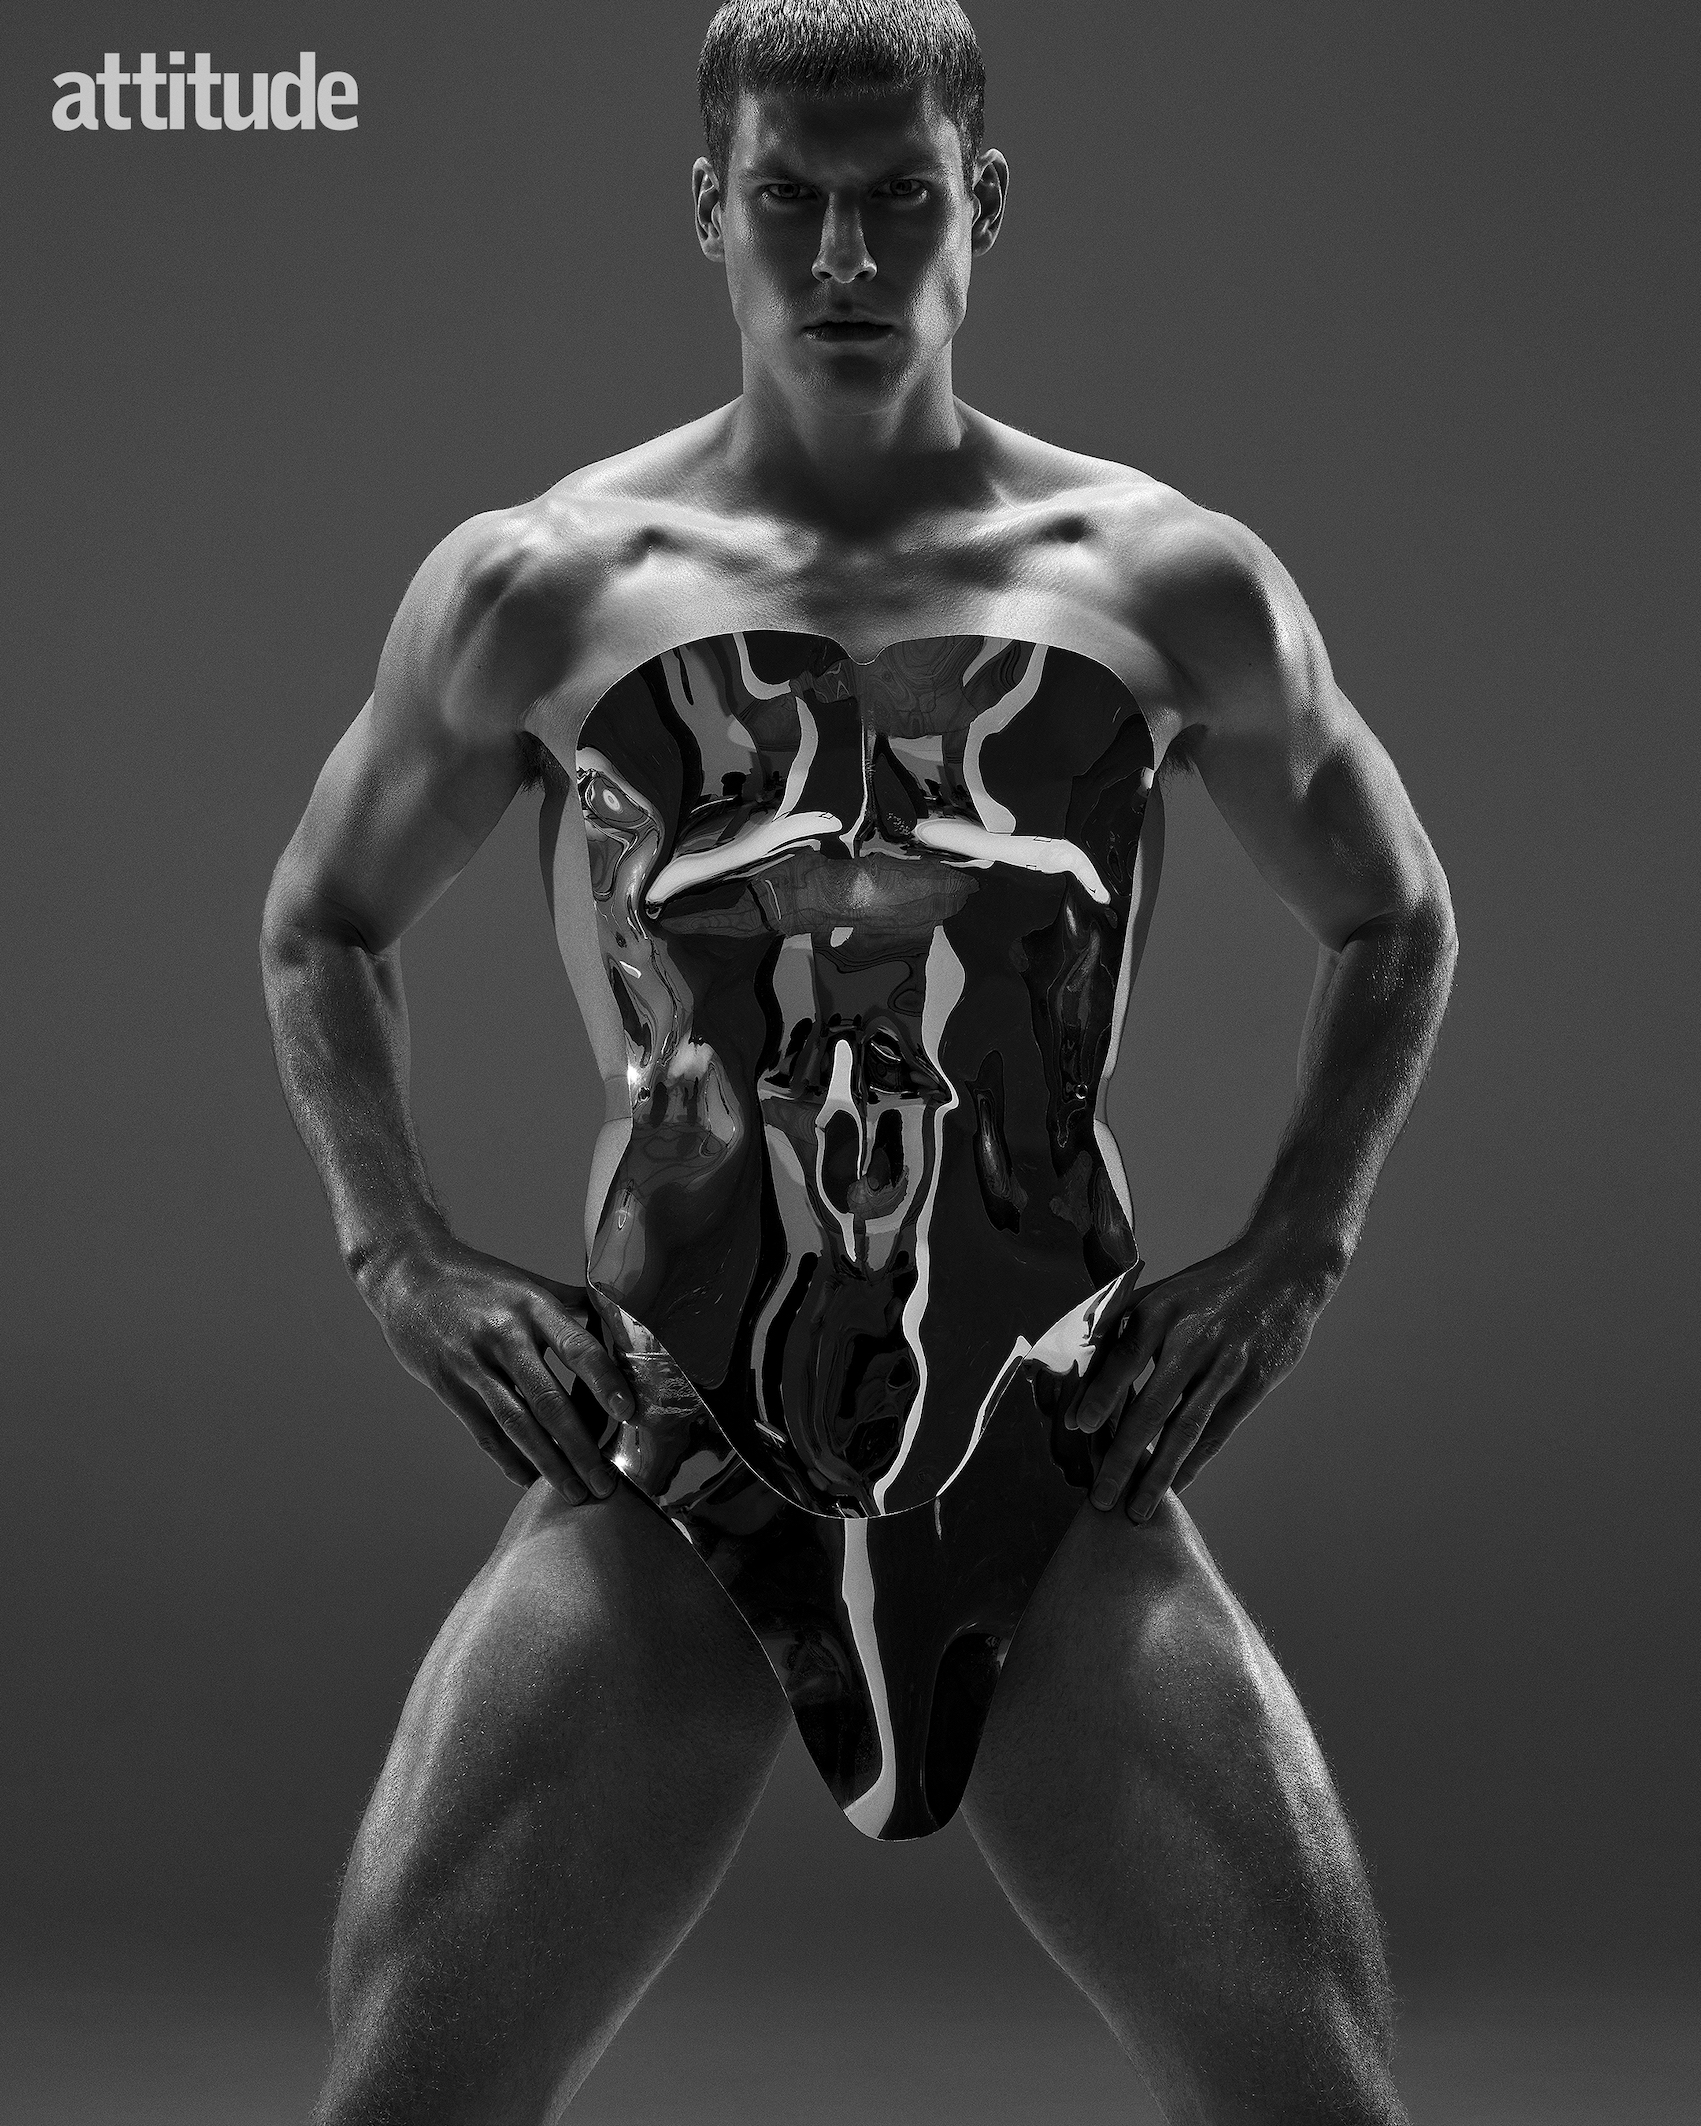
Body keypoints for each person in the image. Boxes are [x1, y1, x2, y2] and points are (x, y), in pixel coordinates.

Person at [261, 3, 1456, 2119]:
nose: (840, 255)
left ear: (978, 202)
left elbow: (1393, 912)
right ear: (705, 206)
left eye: (896, 196)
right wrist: (397, 1252)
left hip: (1047, 1444)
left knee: (1318, 2104)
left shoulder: (1161, 581)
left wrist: (1299, 1246)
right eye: (787, 198)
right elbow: (322, 919)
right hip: (668, 1452)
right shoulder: (542, 586)